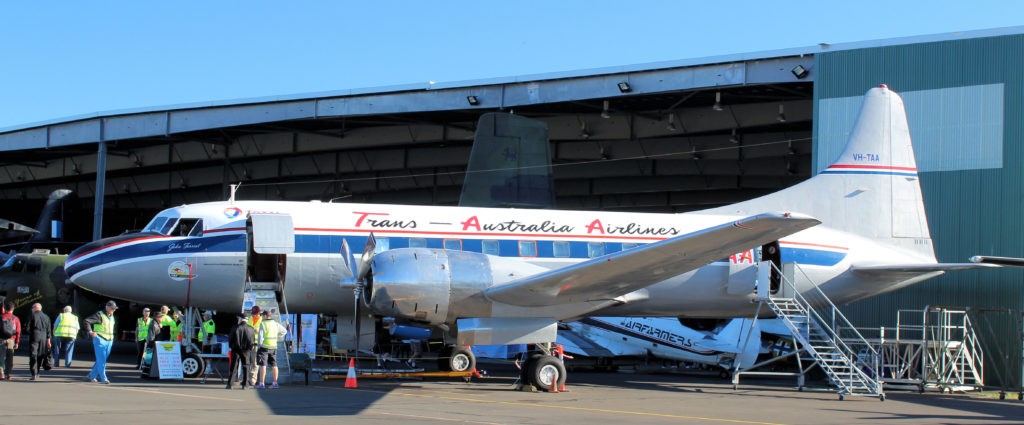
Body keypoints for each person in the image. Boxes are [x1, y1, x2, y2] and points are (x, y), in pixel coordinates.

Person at [83, 301, 117, 384]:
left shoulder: (112, 316)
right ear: (107, 307)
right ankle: (103, 378)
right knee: (101, 360)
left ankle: (92, 375)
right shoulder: (99, 315)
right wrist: (90, 332)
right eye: (112, 308)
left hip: (109, 340)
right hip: (100, 339)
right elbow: (86, 321)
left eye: (114, 309)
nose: (114, 310)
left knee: (102, 360)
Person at [256, 310, 287, 389]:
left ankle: (262, 383)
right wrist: (278, 336)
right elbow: (284, 331)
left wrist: (259, 345)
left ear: (265, 316)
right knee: (274, 365)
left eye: (263, 315)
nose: (262, 317)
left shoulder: (263, 324)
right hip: (273, 347)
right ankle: (275, 382)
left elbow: (261, 337)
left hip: (264, 347)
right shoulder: (276, 324)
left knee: (263, 365)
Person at [226, 314, 255, 389]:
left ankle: (230, 384)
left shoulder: (235, 328)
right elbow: (252, 341)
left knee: (234, 367)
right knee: (246, 367)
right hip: (246, 350)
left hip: (235, 350)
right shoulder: (251, 329)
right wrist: (249, 348)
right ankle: (245, 384)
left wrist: (231, 346)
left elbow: (230, 339)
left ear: (240, 319)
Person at [26, 303, 52, 381]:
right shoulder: (46, 317)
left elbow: (27, 328)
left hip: (34, 336)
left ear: (34, 308)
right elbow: (49, 330)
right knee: (40, 355)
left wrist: (30, 333)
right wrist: (48, 341)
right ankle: (37, 373)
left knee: (33, 354)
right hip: (43, 337)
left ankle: (33, 373)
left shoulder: (32, 315)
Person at [1, 300, 22, 380]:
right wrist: (17, 342)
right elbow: (18, 331)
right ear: (13, 309)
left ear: (5, 308)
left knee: (1, 357)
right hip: (11, 339)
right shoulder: (15, 319)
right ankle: (8, 374)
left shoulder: (1, 317)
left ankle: (1, 373)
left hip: (1, 339)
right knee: (10, 357)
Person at [246, 306, 263, 386]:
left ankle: (253, 379)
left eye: (255, 314)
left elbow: (263, 330)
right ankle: (249, 378)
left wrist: (257, 330)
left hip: (256, 343)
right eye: (253, 314)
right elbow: (247, 327)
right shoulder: (250, 318)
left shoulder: (262, 320)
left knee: (255, 363)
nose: (254, 315)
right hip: (249, 342)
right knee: (249, 361)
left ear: (259, 313)